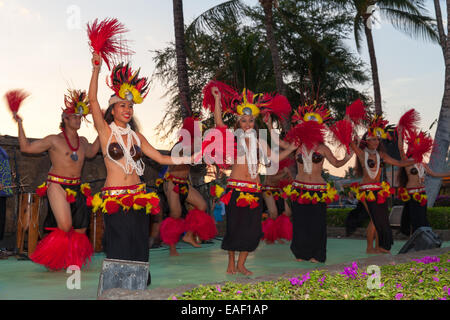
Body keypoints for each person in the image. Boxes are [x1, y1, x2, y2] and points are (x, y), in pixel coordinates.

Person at [88, 53, 197, 271]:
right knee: (119, 242)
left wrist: (189, 158)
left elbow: (161, 157)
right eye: (122, 105)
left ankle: (137, 285)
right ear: (113, 109)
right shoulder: (106, 132)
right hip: (115, 197)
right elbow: (92, 101)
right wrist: (96, 70)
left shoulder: (137, 137)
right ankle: (117, 286)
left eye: (130, 106)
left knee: (138, 242)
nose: (127, 109)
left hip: (138, 195)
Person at [202, 80, 297, 275]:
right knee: (234, 228)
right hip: (236, 190)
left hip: (254, 191)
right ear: (238, 122)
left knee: (252, 231)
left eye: (251, 120)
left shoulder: (260, 140)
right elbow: (219, 123)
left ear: (254, 121)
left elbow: (274, 157)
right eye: (244, 121)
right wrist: (218, 99)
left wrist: (292, 149)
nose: (247, 124)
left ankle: (241, 264)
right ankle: (231, 262)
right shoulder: (234, 138)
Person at [11, 89, 100, 270]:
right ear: (65, 119)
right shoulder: (53, 140)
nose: (78, 119)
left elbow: (91, 153)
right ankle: (56, 259)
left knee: (81, 229)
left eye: (79, 117)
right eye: (74, 117)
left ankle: (69, 260)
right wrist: (20, 124)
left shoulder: (82, 141)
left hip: (77, 186)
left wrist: (102, 129)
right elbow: (26, 148)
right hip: (57, 185)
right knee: (66, 226)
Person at [283, 103, 353, 263]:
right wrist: (267, 124)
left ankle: (317, 254)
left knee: (317, 223)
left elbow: (336, 163)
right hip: (299, 188)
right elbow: (281, 144)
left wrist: (348, 158)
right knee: (300, 222)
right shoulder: (297, 145)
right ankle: (300, 253)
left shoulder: (322, 148)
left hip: (317, 189)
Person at [350, 115, 414, 254]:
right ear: (367, 141)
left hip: (379, 190)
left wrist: (414, 161)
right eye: (373, 139)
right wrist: (351, 124)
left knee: (382, 220)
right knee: (374, 219)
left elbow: (399, 163)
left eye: (378, 139)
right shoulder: (362, 154)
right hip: (366, 190)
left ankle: (380, 246)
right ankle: (369, 248)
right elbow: (350, 142)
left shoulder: (382, 155)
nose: (376, 141)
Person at [158, 117, 217, 256]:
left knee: (202, 206)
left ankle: (188, 235)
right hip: (172, 182)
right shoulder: (181, 146)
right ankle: (172, 248)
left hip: (184, 184)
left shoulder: (194, 146)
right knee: (176, 214)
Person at [397, 126, 450, 236]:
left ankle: (423, 238)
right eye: (410, 146)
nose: (411, 148)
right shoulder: (407, 162)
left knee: (422, 217)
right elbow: (401, 149)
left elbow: (434, 174)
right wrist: (400, 135)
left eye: (414, 146)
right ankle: (415, 239)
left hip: (421, 193)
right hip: (412, 194)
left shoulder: (423, 164)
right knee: (414, 218)